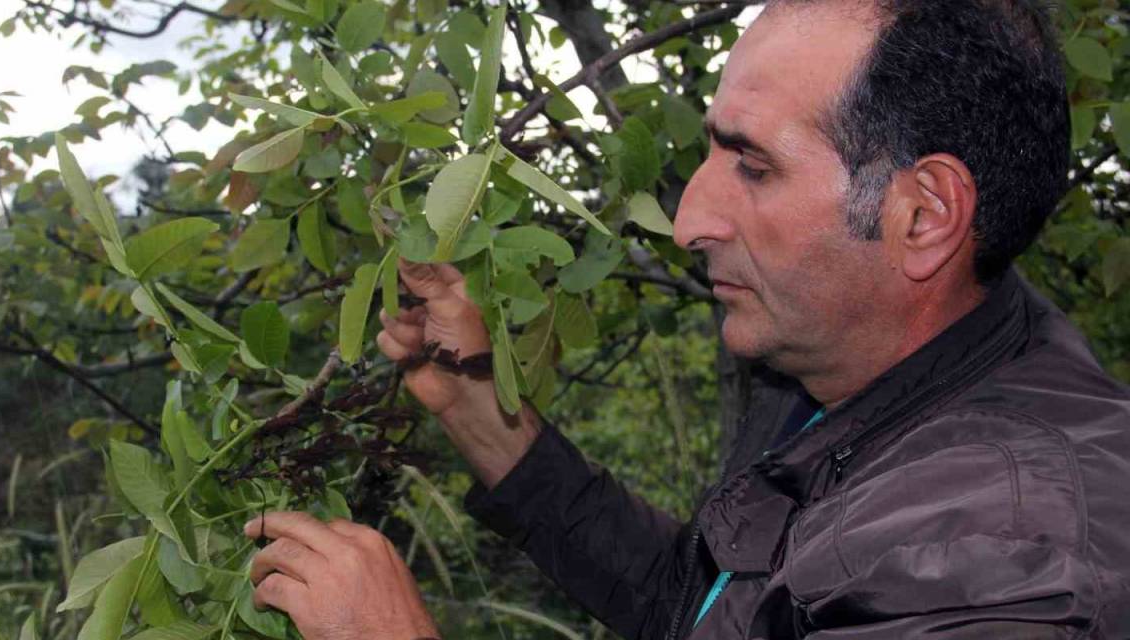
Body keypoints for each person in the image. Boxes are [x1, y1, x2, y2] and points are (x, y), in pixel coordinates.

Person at [243, 0, 1130, 637]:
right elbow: (706, 605)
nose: (688, 220)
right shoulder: (848, 373)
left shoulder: (1001, 562)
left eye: (753, 166)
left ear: (924, 216)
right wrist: (480, 411)